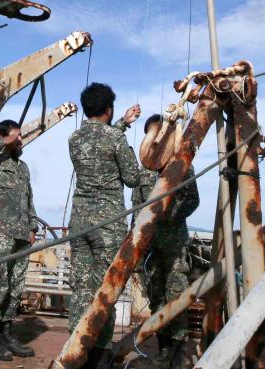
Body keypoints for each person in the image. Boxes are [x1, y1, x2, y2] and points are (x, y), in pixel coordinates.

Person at [67, 83, 141, 368]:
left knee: (81, 289)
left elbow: (98, 138)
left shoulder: (74, 138)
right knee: (106, 289)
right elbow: (132, 177)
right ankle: (98, 357)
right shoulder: (115, 139)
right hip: (107, 224)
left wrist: (123, 122)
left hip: (80, 221)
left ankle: (75, 351)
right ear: (108, 109)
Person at [132, 114, 200, 369]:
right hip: (149, 245)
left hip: (173, 244)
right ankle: (164, 348)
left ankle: (179, 352)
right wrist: (136, 239)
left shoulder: (182, 166)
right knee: (156, 297)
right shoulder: (144, 172)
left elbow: (193, 200)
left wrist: (170, 217)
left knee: (177, 295)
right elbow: (136, 207)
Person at [0, 120, 39, 361]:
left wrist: (32, 226)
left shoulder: (23, 167)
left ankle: (7, 333)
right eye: (18, 136)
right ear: (5, 136)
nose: (21, 140)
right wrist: (4, 140)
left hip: (21, 234)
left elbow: (29, 198)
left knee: (14, 286)